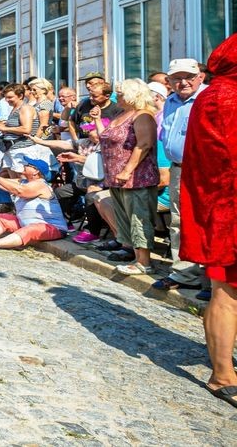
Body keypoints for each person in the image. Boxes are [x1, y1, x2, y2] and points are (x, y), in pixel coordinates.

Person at [178, 33, 237, 408]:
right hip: (228, 210)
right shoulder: (227, 98)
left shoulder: (210, 96)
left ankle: (222, 369)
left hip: (220, 207)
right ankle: (222, 374)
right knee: (226, 292)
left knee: (226, 292)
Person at [98, 79, 160, 275]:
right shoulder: (123, 114)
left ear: (133, 95)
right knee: (124, 218)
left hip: (136, 178)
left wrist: (127, 171)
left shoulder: (143, 115)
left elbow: (144, 144)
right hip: (116, 177)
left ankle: (144, 262)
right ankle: (133, 255)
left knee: (138, 218)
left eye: (121, 93)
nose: (118, 97)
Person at [156, 58, 207, 294]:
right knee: (179, 220)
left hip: (205, 170)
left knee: (206, 222)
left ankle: (211, 278)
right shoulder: (170, 101)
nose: (183, 82)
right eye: (177, 78)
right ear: (169, 81)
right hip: (178, 168)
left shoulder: (208, 98)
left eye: (188, 76)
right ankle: (184, 272)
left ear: (200, 77)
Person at [0, 158, 68, 249]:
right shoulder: (23, 182)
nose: (24, 165)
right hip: (26, 223)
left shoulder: (40, 184)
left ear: (36, 171)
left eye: (28, 165)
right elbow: (2, 184)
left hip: (51, 227)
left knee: (30, 230)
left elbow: (20, 191)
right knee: (3, 218)